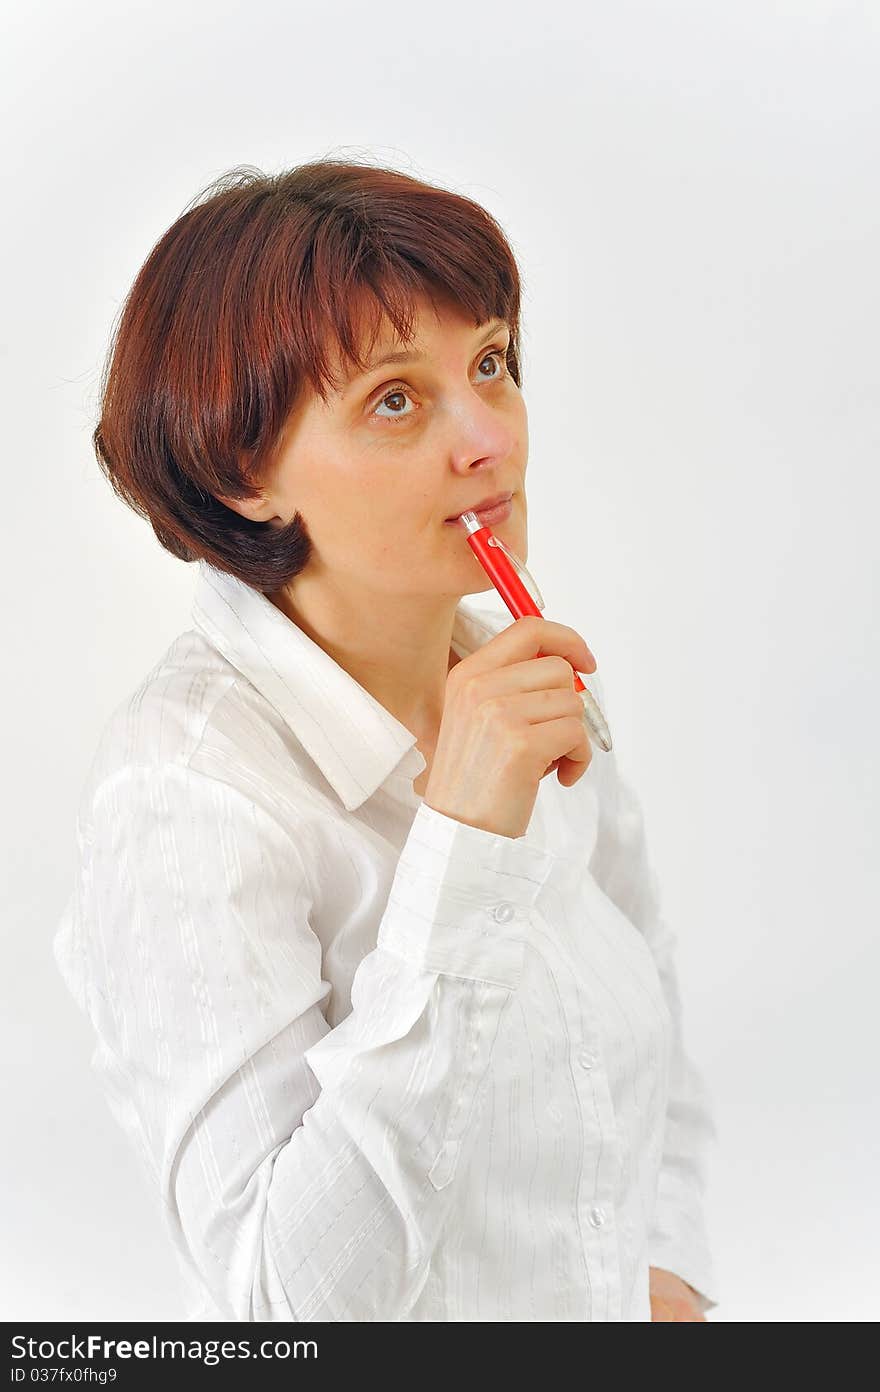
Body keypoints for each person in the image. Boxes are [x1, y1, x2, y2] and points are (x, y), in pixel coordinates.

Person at [53, 158, 720, 1322]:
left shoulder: (511, 667)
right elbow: (285, 1304)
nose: (489, 442)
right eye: (395, 400)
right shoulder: (185, 792)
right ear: (242, 472)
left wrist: (666, 1293)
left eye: (492, 364)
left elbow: (649, 1039)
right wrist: (462, 850)